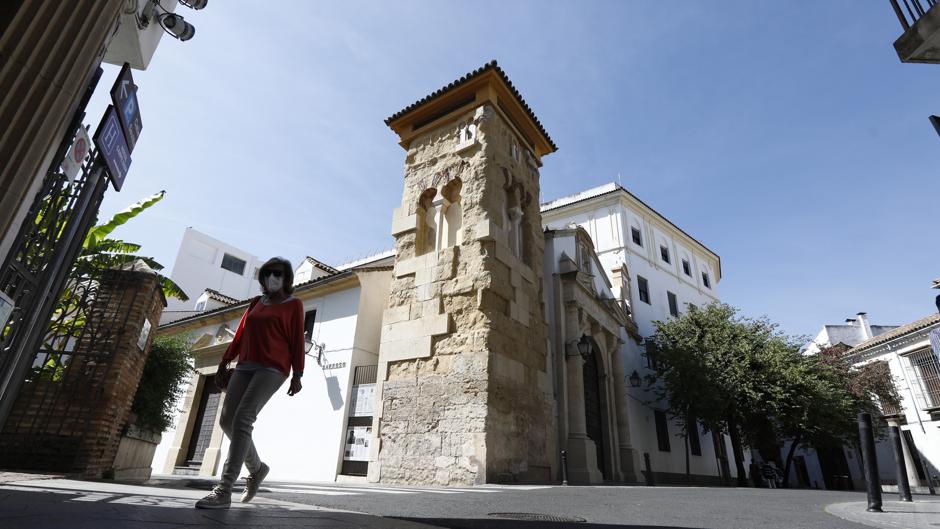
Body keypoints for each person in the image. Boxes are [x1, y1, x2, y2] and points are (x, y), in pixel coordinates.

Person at [195, 257, 305, 509]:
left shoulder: (293, 305)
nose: (272, 278)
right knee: (226, 420)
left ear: (287, 278)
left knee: (243, 417)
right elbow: (242, 332)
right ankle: (257, 469)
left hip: (273, 367)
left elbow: (298, 340)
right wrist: (225, 360)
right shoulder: (257, 303)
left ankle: (224, 490)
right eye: (268, 274)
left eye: (278, 273)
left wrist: (298, 373)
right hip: (245, 365)